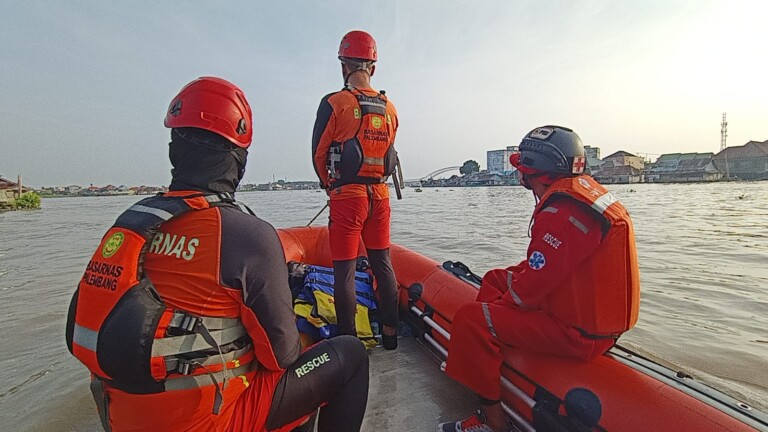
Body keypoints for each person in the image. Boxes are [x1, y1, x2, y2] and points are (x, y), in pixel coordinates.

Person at [65, 76, 370, 432]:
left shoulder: (128, 226)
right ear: (239, 159)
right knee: (348, 354)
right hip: (209, 422)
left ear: (172, 150)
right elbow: (281, 355)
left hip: (122, 419)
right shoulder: (247, 235)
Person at [438, 126, 641, 432]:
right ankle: (484, 362)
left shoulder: (562, 211)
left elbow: (525, 294)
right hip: (587, 313)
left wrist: (494, 318)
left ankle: (491, 420)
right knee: (494, 279)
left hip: (578, 333)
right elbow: (553, 266)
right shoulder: (585, 195)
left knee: (471, 320)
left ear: (533, 169)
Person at [311, 30, 400, 350]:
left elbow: (319, 154)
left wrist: (328, 185)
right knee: (383, 265)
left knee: (345, 273)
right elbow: (389, 151)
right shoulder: (390, 109)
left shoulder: (334, 103)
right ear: (373, 68)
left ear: (343, 65)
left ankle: (348, 345)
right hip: (381, 196)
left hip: (348, 198)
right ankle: (390, 336)